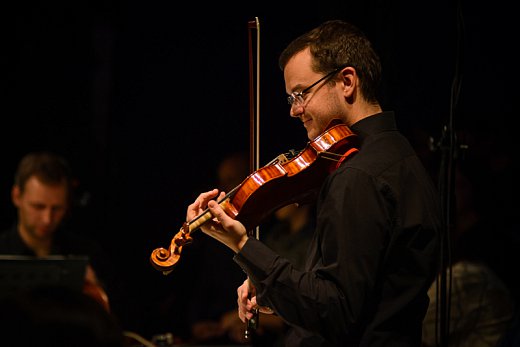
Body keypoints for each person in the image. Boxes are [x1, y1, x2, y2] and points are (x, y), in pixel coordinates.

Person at [185, 19, 442, 346]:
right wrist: (272, 290)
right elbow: (352, 294)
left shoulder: (358, 176)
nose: (294, 110)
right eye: (291, 99)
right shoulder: (401, 157)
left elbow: (334, 315)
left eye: (300, 94)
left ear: (347, 82)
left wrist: (243, 245)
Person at [0, 151, 115, 312]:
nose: (47, 219)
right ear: (16, 196)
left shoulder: (88, 252)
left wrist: (95, 289)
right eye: (38, 207)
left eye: (57, 208)